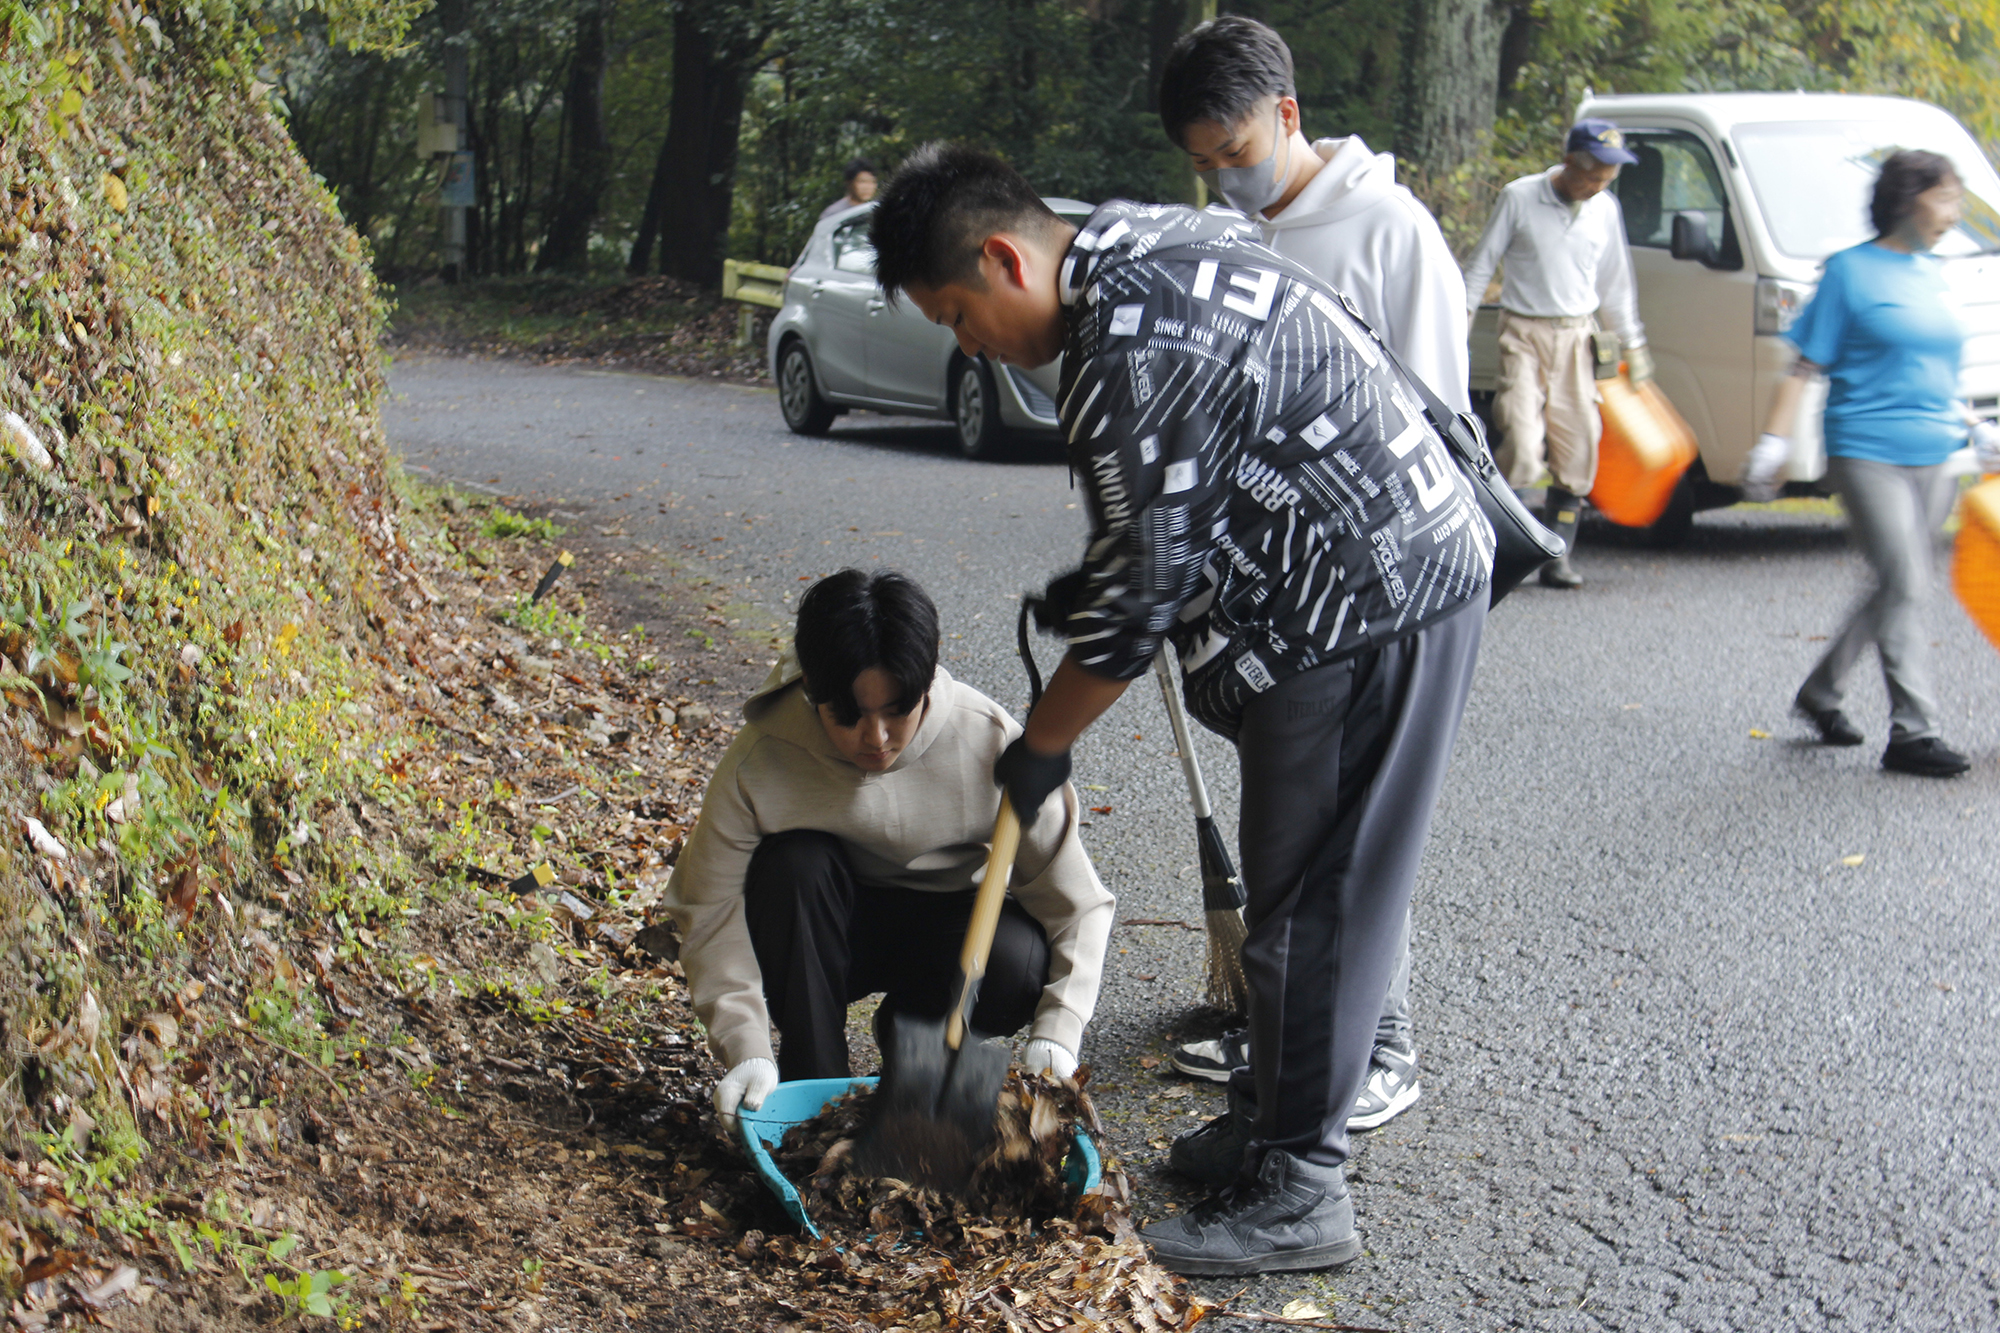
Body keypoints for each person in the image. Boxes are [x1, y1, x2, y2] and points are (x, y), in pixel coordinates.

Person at [870, 144, 1490, 1277]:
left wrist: (1040, 748)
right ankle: (1270, 1122)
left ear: (1004, 258)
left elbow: (1137, 609)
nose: (969, 346)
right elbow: (1187, 486)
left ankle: (1300, 1192)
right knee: (1292, 886)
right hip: (1354, 578)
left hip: (1364, 598)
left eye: (958, 316)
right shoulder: (1143, 239)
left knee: (1310, 905)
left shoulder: (1123, 344)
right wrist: (1105, 577)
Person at [1151, 13, 1463, 1149]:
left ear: (1286, 115)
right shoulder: (1230, 238)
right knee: (1293, 830)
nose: (1225, 179)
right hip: (1264, 600)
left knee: (1359, 824)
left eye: (1237, 153)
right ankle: (1294, 1031)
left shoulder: (1391, 231)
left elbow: (1438, 422)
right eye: (1205, 164)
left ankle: (1382, 1048)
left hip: (1374, 592)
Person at [665, 568, 1115, 1131]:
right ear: (813, 693)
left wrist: (1059, 1032)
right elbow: (709, 907)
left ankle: (913, 1039)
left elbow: (1077, 905)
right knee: (793, 866)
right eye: (848, 715)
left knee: (1017, 960)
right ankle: (811, 1089)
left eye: (896, 711)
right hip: (820, 934)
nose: (875, 739)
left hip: (951, 933)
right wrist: (745, 1044)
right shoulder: (763, 756)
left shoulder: (989, 741)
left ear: (925, 687)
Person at [1747, 151, 1993, 778]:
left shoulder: (1932, 273)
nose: (1955, 212)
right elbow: (1805, 365)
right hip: (1865, 449)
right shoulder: (1849, 272)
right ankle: (1913, 732)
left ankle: (1821, 691)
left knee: (1895, 582)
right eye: (1946, 198)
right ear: (1907, 200)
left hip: (1936, 452)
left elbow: (1932, 371)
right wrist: (1773, 442)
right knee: (1907, 581)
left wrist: (1977, 429)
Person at [1460, 120, 1653, 588]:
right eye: (1593, 177)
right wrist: (1458, 322)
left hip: (1577, 337)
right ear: (1569, 163)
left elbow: (1616, 284)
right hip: (1523, 333)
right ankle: (1507, 549)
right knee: (1522, 440)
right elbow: (1481, 264)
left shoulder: (1604, 209)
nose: (1599, 186)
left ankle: (1558, 556)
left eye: (1607, 179)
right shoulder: (1519, 197)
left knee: (1579, 442)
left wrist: (1633, 344)